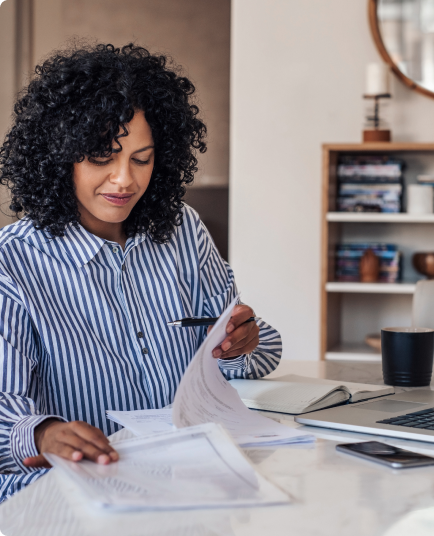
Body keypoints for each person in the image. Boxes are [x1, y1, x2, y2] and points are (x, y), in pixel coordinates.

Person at [0, 43, 282, 502]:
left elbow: (254, 356)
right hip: (72, 493)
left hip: (190, 480)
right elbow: (4, 414)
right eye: (100, 157)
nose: (124, 180)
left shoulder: (184, 230)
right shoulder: (12, 265)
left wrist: (240, 344)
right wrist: (45, 434)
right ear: (59, 157)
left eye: (141, 158)